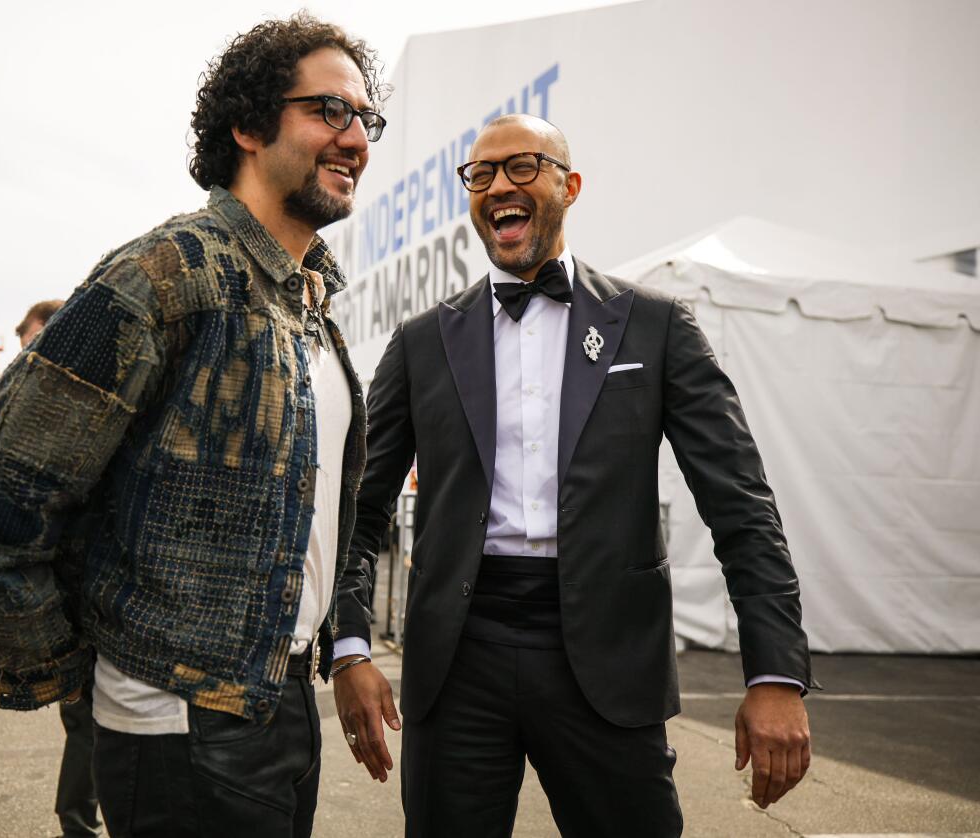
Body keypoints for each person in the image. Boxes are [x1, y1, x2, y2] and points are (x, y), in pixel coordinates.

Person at [0, 13, 386, 837]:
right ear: (249, 124)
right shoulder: (167, 272)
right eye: (330, 111)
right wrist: (61, 669)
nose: (356, 137)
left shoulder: (310, 302)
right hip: (174, 718)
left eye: (367, 119)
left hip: (281, 698)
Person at [332, 114, 818, 837]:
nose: (499, 184)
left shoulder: (654, 326)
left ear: (571, 184)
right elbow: (359, 511)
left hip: (607, 661)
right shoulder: (422, 341)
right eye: (482, 174)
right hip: (459, 659)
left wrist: (775, 672)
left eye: (523, 166)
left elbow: (740, 505)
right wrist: (348, 648)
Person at [17, 297, 103, 838]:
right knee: (84, 719)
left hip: (103, 585)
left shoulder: (99, 400)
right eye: (27, 348)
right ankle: (78, 826)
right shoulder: (27, 406)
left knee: (104, 722)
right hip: (59, 594)